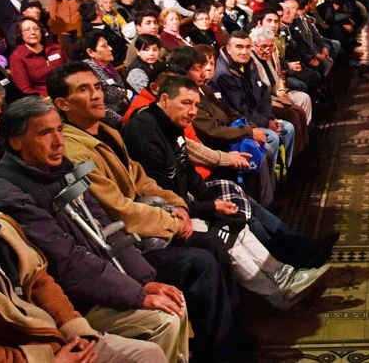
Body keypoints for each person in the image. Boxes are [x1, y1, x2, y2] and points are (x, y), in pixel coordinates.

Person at [46, 62, 243, 363]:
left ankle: (227, 338)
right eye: (83, 90)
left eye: (97, 87)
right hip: (126, 243)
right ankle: (216, 351)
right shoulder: (74, 149)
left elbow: (139, 177)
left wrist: (176, 203)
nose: (97, 95)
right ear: (63, 104)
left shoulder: (108, 131)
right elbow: (117, 208)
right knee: (200, 261)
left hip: (147, 223)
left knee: (213, 244)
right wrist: (172, 223)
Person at [0, 97, 186, 363]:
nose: (57, 141)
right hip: (74, 297)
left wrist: (143, 281)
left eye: (59, 130)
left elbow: (106, 225)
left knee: (175, 301)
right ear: (16, 142)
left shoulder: (60, 168)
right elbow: (66, 260)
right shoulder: (10, 192)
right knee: (162, 320)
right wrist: (136, 295)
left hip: (98, 280)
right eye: (44, 133)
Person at [121, 75, 330, 309]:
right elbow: (160, 198)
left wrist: (214, 202)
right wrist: (210, 207)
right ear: (165, 99)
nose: (192, 111)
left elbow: (188, 173)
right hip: (163, 218)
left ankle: (283, 274)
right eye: (185, 103)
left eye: (195, 105)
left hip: (182, 202)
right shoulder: (144, 135)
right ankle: (277, 292)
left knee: (235, 217)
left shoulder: (171, 124)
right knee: (225, 232)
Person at [0, 211, 167, 363]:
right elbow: (68, 260)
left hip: (54, 336)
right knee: (164, 320)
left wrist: (75, 330)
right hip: (30, 353)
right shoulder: (14, 197)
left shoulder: (3, 227)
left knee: (148, 354)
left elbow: (40, 281)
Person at [214, 31, 296, 169]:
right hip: (242, 122)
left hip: (259, 116)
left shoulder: (249, 64)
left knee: (288, 128)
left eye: (247, 47)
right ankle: (270, 181)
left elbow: (263, 94)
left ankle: (284, 171)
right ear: (229, 49)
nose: (244, 52)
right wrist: (265, 123)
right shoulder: (224, 75)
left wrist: (269, 118)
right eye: (239, 47)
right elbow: (240, 108)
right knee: (272, 138)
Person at [8, 17, 68, 96]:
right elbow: (25, 88)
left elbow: (69, 69)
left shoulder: (55, 48)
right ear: (20, 34)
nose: (33, 32)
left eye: (36, 29)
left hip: (67, 90)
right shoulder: (17, 57)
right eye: (27, 30)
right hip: (43, 98)